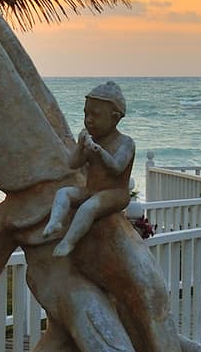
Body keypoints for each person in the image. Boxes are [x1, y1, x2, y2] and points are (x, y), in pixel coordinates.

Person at [39, 81, 136, 258]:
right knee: (64, 193)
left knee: (88, 207)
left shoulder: (126, 143)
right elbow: (73, 164)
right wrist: (80, 145)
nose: (89, 119)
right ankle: (55, 222)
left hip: (114, 193)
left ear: (114, 118)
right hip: (92, 190)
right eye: (86, 114)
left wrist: (99, 152)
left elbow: (117, 168)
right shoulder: (92, 139)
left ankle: (68, 242)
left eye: (95, 115)